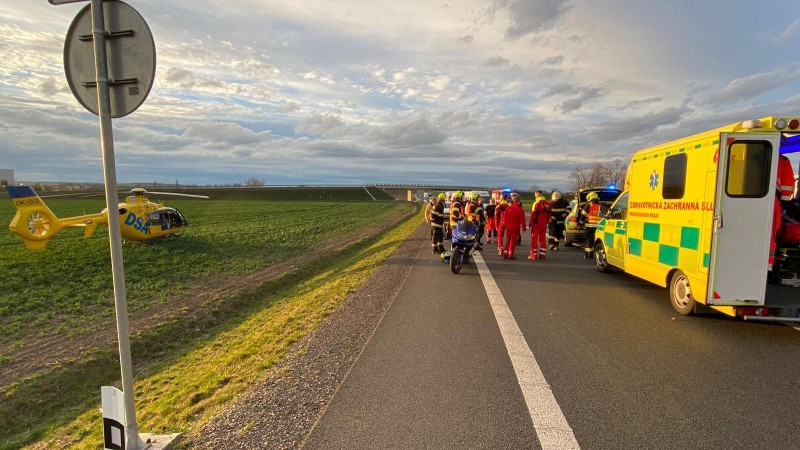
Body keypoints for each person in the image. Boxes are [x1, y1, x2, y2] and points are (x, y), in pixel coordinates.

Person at [502, 192, 526, 259]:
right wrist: (524, 227)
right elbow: (522, 220)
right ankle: (510, 254)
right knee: (513, 241)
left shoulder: (508, 208)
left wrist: (506, 225)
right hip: (515, 227)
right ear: (519, 201)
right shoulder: (520, 210)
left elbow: (505, 218)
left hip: (508, 227)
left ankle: (505, 253)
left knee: (508, 240)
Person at [528, 190, 551, 260]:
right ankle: (542, 254)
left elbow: (533, 215)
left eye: (535, 194)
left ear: (537, 195)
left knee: (534, 239)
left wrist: (530, 223)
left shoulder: (536, 203)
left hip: (536, 224)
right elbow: (549, 214)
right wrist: (546, 221)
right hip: (543, 225)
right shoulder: (548, 203)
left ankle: (533, 255)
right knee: (542, 239)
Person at [580, 191, 603, 259]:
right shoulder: (601, 206)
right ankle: (596, 255)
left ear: (589, 198)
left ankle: (588, 255)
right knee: (596, 241)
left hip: (589, 227)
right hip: (599, 227)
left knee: (588, 241)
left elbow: (582, 217)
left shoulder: (588, 206)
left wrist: (580, 223)